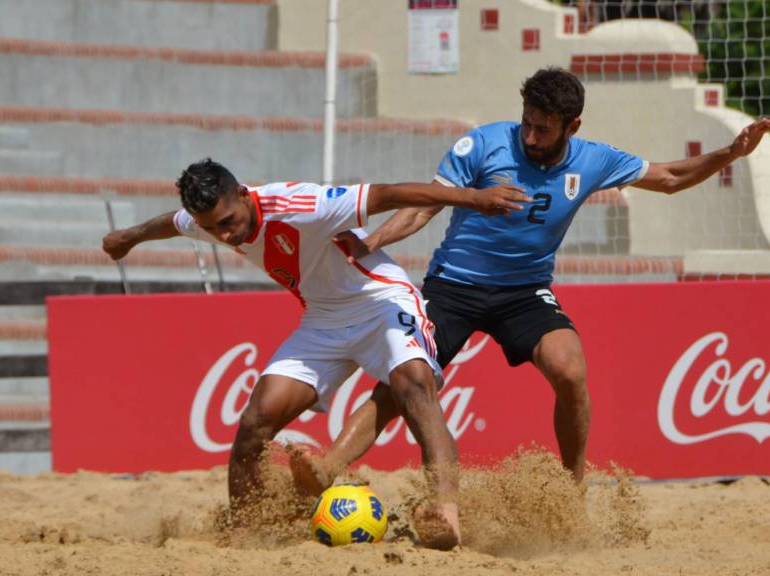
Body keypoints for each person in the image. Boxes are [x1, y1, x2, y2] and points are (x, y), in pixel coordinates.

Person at [288, 66, 770, 493]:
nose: (529, 137)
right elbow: (424, 207)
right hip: (453, 286)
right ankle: (328, 466)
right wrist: (371, 243)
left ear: (573, 126)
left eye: (542, 129)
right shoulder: (482, 144)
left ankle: (570, 488)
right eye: (526, 123)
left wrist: (730, 154)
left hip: (524, 291)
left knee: (570, 370)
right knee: (405, 384)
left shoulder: (592, 159)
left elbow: (671, 178)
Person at [101, 158, 529, 550]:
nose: (225, 235)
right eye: (214, 229)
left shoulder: (301, 204)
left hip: (381, 301)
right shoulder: (210, 217)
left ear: (245, 196)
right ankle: (245, 529)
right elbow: (174, 224)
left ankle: (445, 513)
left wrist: (473, 198)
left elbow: (387, 193)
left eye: (229, 222)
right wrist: (131, 236)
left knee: (413, 386)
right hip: (323, 320)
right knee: (256, 420)